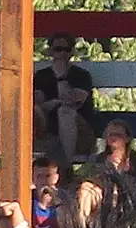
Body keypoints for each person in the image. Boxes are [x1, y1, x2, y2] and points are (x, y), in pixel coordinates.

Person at [33, 31, 94, 160]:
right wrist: (55, 102)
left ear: (72, 52)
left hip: (79, 134)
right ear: (50, 51)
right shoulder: (41, 76)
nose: (62, 54)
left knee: (65, 112)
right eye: (58, 49)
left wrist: (61, 78)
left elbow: (74, 102)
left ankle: (65, 165)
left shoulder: (82, 75)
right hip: (48, 129)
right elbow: (38, 104)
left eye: (66, 50)